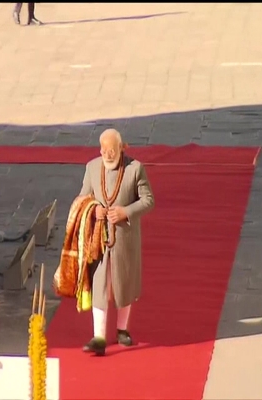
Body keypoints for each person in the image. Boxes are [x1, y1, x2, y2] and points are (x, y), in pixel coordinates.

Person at [78, 128, 155, 356]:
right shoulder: (92, 168)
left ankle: (122, 329)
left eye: (111, 150)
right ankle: (99, 337)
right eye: (103, 150)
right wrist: (95, 210)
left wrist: (126, 212)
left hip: (125, 239)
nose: (107, 154)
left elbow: (148, 200)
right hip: (99, 241)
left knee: (123, 284)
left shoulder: (135, 169)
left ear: (122, 148)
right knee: (100, 285)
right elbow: (82, 199)